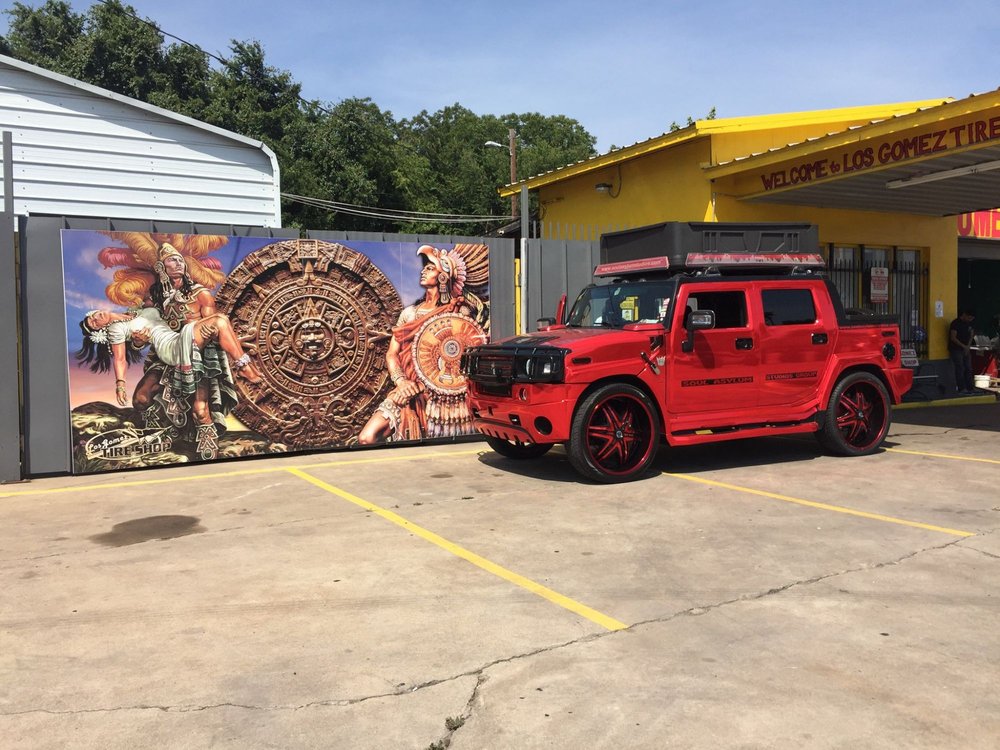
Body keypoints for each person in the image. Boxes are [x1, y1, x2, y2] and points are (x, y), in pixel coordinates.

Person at [358, 244, 487, 445]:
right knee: (367, 437)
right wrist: (402, 383)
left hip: (445, 397)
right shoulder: (410, 314)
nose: (423, 271)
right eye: (424, 267)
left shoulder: (459, 313)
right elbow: (392, 353)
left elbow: (466, 354)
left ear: (443, 277)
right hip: (409, 389)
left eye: (430, 268)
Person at [78, 306, 261, 406]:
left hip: (175, 337)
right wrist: (120, 385)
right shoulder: (115, 330)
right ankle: (244, 367)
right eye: (93, 323)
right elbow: (120, 359)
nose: (95, 317)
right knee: (219, 321)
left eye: (92, 316)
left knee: (222, 319)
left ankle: (244, 366)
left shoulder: (132, 311)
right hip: (169, 348)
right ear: (100, 330)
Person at [948, 307, 976, 394]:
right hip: (956, 349)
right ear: (964, 315)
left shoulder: (970, 324)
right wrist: (964, 346)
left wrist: (968, 346)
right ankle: (961, 388)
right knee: (960, 368)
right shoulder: (955, 323)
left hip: (966, 348)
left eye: (971, 319)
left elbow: (971, 334)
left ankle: (970, 387)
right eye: (969, 318)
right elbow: (953, 338)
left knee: (968, 368)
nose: (970, 320)